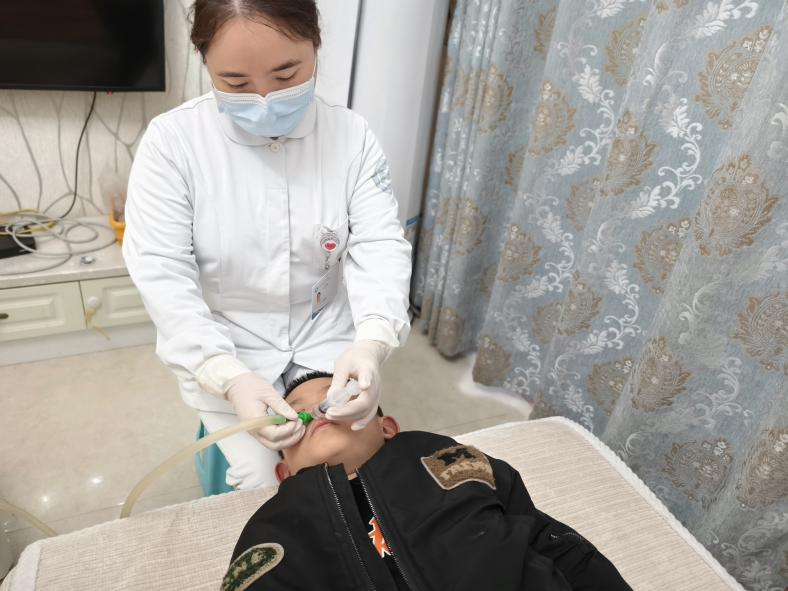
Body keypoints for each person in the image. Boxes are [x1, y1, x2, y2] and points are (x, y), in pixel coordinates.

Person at [122, 0, 411, 489]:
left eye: (285, 75)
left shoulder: (351, 136)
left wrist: (372, 340)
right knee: (262, 478)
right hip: (228, 342)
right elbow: (161, 272)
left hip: (325, 335)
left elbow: (379, 243)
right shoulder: (173, 144)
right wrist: (227, 376)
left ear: (316, 46)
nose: (263, 99)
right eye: (235, 83)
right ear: (206, 64)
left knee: (360, 463)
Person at [222, 373, 633, 591]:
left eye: (337, 396)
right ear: (284, 473)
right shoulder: (274, 526)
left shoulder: (439, 456)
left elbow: (542, 534)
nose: (319, 410)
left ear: (387, 427)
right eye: (294, 412)